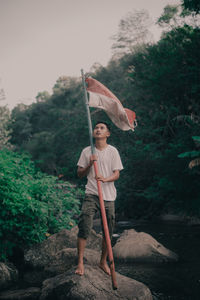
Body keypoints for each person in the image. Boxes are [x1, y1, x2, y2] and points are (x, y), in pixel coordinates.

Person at [75, 121, 123, 276]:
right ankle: (80, 262)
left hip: (108, 197)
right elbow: (80, 174)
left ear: (108, 134)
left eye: (102, 128)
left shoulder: (113, 151)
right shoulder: (87, 151)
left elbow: (117, 174)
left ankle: (103, 262)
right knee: (84, 226)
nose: (98, 130)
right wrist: (90, 164)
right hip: (91, 194)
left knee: (107, 231)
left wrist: (105, 179)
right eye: (96, 127)